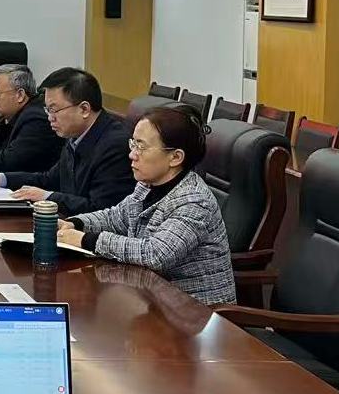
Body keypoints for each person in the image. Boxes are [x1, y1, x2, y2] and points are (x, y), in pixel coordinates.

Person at [55, 104, 236, 305]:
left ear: (175, 157)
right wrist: (75, 223)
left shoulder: (193, 200)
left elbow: (155, 254)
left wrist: (85, 240)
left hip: (196, 312)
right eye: (133, 144)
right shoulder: (148, 184)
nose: (132, 154)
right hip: (151, 299)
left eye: (141, 147)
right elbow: (115, 217)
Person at [0, 67, 134, 215]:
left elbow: (101, 209)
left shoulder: (114, 145)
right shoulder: (76, 134)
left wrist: (48, 197)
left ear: (84, 109)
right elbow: (49, 179)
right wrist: (0, 179)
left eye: (54, 110)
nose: (50, 118)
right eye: (47, 110)